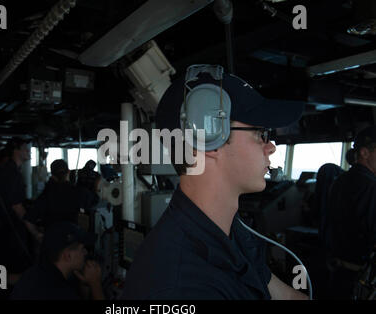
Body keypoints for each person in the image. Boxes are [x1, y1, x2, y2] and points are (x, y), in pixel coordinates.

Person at [121, 64, 307, 300]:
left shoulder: (231, 230)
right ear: (208, 137)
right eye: (260, 134)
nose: (270, 147)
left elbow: (288, 298)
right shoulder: (179, 286)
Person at [324, 125, 376, 299]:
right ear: (364, 153)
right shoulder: (370, 186)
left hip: (338, 270)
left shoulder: (340, 180)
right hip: (359, 276)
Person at [10, 222, 104, 300]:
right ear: (68, 256)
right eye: (82, 249)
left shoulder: (35, 273)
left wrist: (85, 285)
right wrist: (95, 284)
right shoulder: (59, 292)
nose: (85, 252)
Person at [0, 138, 32, 274]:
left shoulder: (9, 170)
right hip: (10, 231)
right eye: (25, 148)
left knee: (4, 266)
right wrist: (34, 231)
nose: (28, 151)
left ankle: (2, 290)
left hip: (5, 228)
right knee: (12, 267)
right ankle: (6, 293)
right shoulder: (12, 174)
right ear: (16, 151)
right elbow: (17, 207)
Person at [24, 159, 84, 239]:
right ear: (68, 172)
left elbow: (28, 219)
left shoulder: (46, 194)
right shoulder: (76, 192)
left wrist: (37, 235)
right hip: (70, 240)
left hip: (51, 241)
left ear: (52, 174)